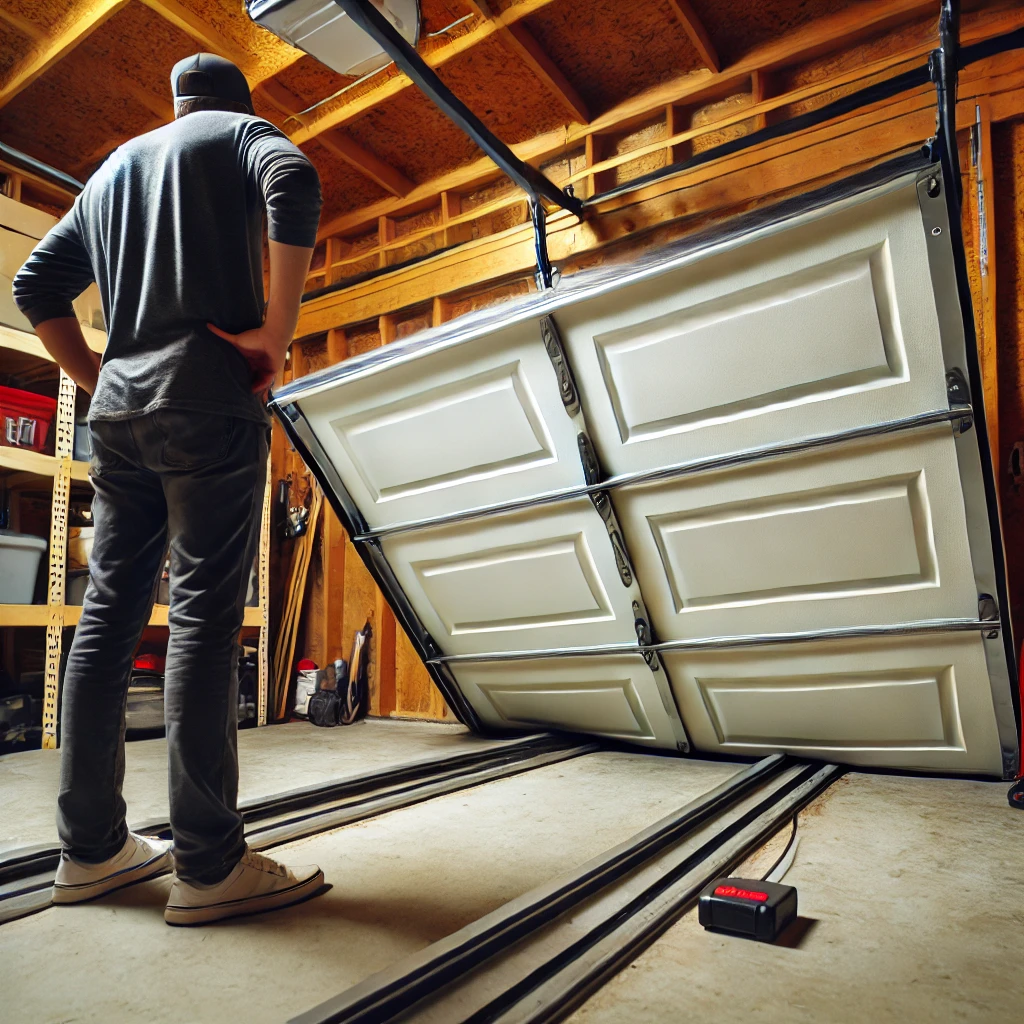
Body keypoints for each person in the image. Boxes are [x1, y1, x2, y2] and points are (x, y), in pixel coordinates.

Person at [13, 53, 325, 925]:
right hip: (207, 398)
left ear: (173, 100)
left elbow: (33, 283)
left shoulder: (115, 168)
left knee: (107, 613)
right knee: (201, 621)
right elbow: (294, 181)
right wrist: (276, 331)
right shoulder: (239, 136)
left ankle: (92, 852)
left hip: (119, 416)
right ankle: (209, 864)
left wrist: (100, 371)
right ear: (236, 102)